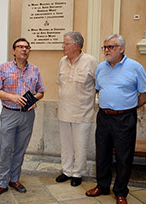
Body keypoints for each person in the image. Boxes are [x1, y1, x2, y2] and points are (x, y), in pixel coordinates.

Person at [85, 34, 146, 204]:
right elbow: (99, 89)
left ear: (121, 49)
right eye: (104, 47)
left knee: (123, 156)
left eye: (110, 47)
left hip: (125, 118)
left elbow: (144, 94)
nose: (106, 50)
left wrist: (129, 107)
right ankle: (102, 186)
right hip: (104, 117)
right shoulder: (100, 68)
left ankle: (120, 191)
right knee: (102, 153)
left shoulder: (135, 67)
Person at [0, 38, 45, 199]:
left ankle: (14, 179)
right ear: (14, 51)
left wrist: (34, 98)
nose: (24, 50)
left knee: (20, 148)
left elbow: (41, 92)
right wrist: (12, 97)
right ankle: (1, 183)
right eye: (20, 47)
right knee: (6, 148)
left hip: (28, 115)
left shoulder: (35, 70)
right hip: (9, 114)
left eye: (27, 47)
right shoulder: (3, 68)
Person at [55, 31, 98, 187]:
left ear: (76, 45)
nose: (63, 46)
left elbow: (98, 85)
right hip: (64, 111)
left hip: (82, 112)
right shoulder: (62, 61)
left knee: (80, 145)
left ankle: (77, 173)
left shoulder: (91, 61)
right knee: (65, 144)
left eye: (66, 43)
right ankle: (66, 171)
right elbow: (61, 83)